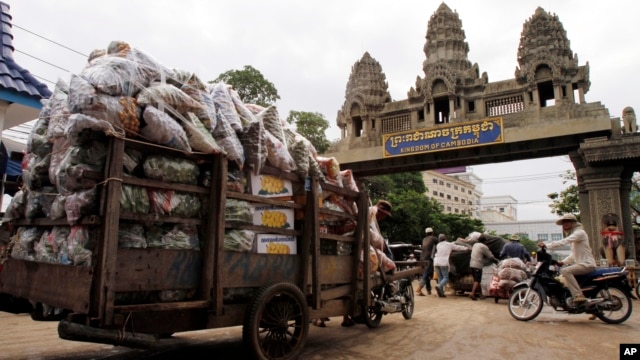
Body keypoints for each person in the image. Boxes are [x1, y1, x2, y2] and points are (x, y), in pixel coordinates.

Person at [314, 199, 393, 327]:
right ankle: (340, 317)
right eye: (384, 215)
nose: (384, 218)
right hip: (348, 251)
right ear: (381, 211)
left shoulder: (363, 213)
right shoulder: (369, 213)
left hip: (336, 249)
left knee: (329, 283)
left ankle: (324, 318)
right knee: (347, 284)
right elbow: (369, 236)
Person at [541, 213, 596, 304]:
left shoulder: (579, 233)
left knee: (566, 271)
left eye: (567, 221)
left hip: (587, 264)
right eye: (563, 222)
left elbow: (564, 242)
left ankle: (578, 295)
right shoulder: (575, 234)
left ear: (573, 222)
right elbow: (574, 254)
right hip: (581, 264)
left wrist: (547, 245)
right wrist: (562, 262)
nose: (565, 224)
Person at [469, 234, 499, 300]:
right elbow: (490, 257)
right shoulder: (483, 247)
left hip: (471, 264)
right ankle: (472, 293)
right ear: (485, 241)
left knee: (477, 281)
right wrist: (497, 261)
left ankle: (481, 295)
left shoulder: (475, 245)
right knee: (477, 280)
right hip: (478, 265)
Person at [416, 227, 437, 296]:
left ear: (426, 233)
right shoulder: (434, 238)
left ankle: (428, 290)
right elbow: (440, 244)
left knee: (426, 273)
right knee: (426, 274)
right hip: (428, 258)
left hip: (422, 258)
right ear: (432, 232)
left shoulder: (424, 239)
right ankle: (419, 288)